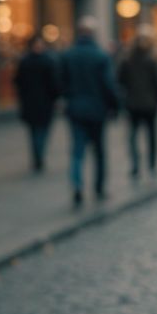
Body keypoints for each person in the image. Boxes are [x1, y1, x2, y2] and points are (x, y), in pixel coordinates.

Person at [60, 17, 119, 207]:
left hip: (76, 109)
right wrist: (114, 106)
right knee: (99, 151)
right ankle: (99, 187)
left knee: (77, 151)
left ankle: (77, 186)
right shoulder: (100, 56)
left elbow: (61, 83)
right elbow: (108, 85)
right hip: (96, 110)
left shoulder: (68, 55)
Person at [117, 27, 157, 179]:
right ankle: (151, 164)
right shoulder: (152, 61)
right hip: (150, 104)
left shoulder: (127, 60)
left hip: (132, 103)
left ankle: (135, 165)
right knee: (151, 136)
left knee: (133, 136)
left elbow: (120, 80)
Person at [14, 35, 61, 174]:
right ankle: (38, 156)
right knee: (38, 131)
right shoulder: (46, 61)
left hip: (37, 102)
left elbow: (18, 82)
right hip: (40, 103)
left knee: (37, 131)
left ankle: (37, 156)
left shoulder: (27, 61)